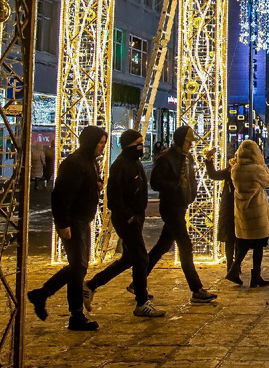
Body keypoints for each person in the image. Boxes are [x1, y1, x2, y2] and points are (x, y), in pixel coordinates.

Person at [27, 125, 106, 331]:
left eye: (104, 143)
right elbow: (60, 195)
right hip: (74, 221)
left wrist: (95, 186)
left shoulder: (89, 162)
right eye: (100, 143)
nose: (102, 148)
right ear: (90, 143)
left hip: (82, 220)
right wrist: (63, 224)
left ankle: (46, 297)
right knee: (78, 267)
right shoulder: (75, 163)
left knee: (79, 267)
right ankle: (71, 311)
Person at [83, 130, 163, 318]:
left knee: (129, 259)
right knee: (141, 258)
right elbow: (115, 197)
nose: (141, 146)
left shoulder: (135, 163)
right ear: (128, 145)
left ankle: (91, 285)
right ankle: (142, 302)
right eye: (138, 143)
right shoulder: (120, 166)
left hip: (135, 217)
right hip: (127, 220)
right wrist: (129, 216)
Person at [144, 126, 218, 304]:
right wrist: (176, 185)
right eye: (188, 142)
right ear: (180, 141)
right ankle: (196, 289)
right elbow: (155, 182)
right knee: (185, 246)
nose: (191, 145)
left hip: (181, 206)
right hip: (171, 207)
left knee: (162, 246)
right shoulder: (166, 158)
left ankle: (137, 281)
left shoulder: (187, 157)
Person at [228, 139, 269, 287]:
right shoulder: (256, 169)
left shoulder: (235, 169)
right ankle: (255, 277)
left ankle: (234, 270)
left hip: (242, 210)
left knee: (245, 243)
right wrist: (263, 164)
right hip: (256, 210)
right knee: (258, 245)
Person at [203, 143, 237, 276]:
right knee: (232, 238)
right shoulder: (230, 171)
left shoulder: (237, 170)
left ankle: (233, 265)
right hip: (232, 207)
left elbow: (214, 175)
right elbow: (214, 175)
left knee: (234, 239)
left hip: (235, 207)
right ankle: (231, 265)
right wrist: (209, 160)